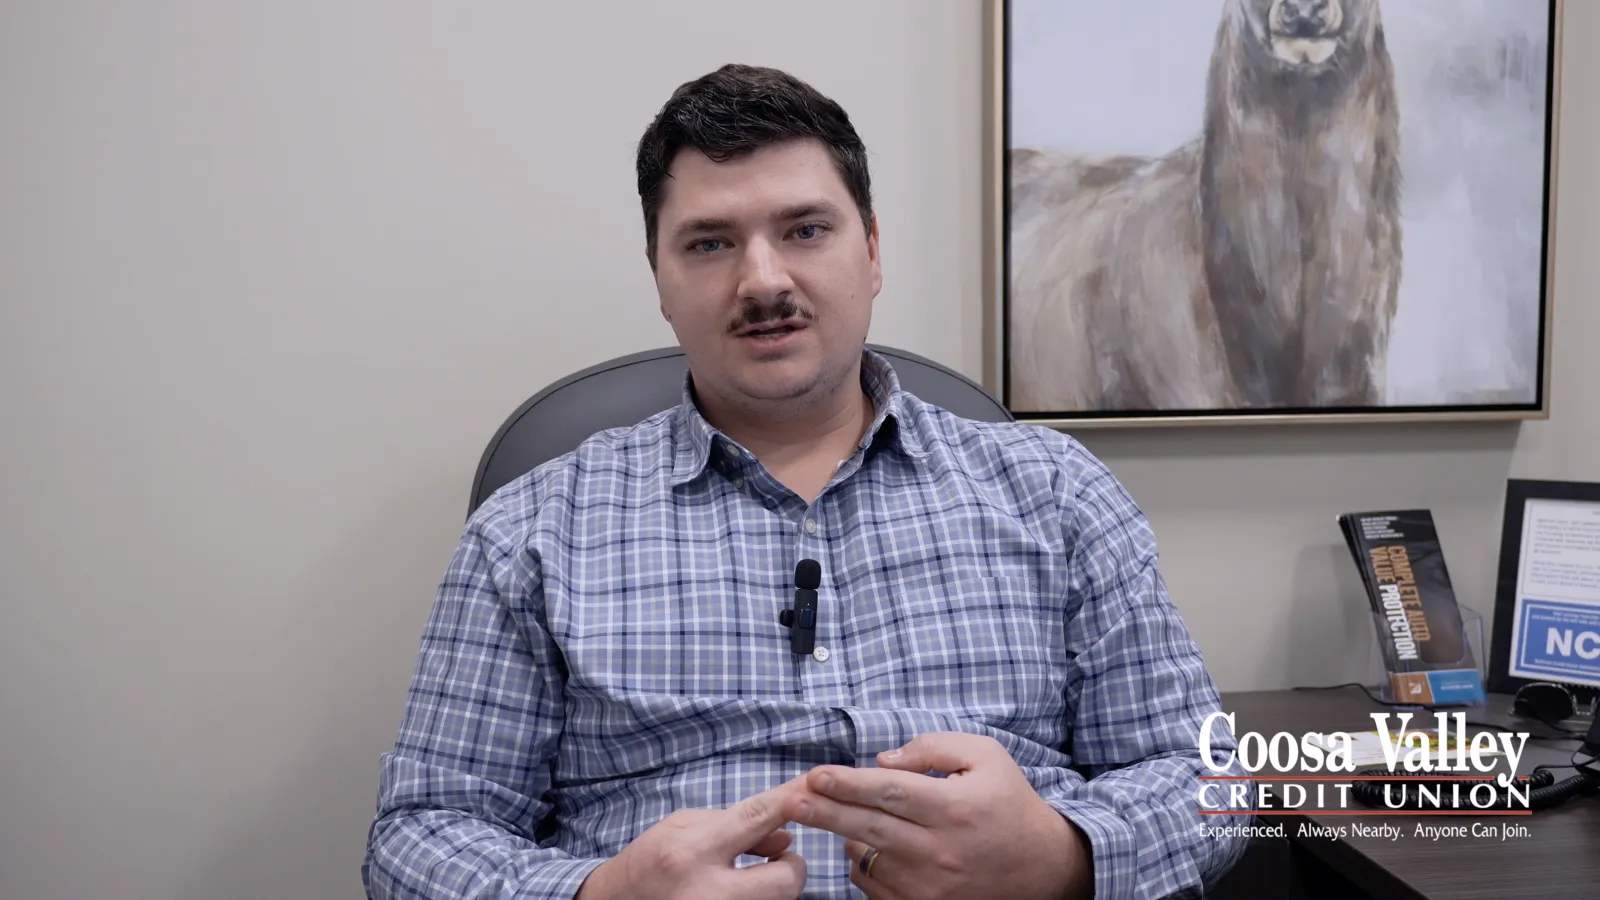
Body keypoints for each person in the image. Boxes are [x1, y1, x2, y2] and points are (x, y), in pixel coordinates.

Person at [362, 63, 1252, 900]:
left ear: (870, 251)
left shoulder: (1055, 493)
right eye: (710, 243)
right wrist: (595, 892)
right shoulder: (534, 530)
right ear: (661, 281)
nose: (763, 280)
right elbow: (419, 836)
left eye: (805, 230)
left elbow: (1210, 775)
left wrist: (1063, 855)